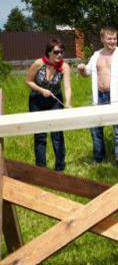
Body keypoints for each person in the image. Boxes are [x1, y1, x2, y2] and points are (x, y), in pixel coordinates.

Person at [77, 27, 118, 166]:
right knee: (96, 127)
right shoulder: (96, 55)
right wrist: (82, 70)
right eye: (109, 38)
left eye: (114, 38)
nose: (112, 41)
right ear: (102, 39)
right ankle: (99, 158)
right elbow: (87, 73)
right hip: (99, 97)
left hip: (115, 96)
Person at [26, 39, 72, 171]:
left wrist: (68, 103)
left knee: (57, 134)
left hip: (55, 100)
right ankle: (41, 169)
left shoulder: (65, 67)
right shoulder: (38, 64)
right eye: (56, 52)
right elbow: (28, 81)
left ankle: (60, 167)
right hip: (36, 100)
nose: (59, 55)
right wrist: (41, 90)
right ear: (49, 52)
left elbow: (67, 87)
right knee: (40, 135)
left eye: (61, 52)